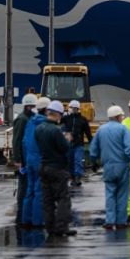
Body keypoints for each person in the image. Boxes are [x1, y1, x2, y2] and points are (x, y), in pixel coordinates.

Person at [89, 105, 130, 230]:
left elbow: (93, 149)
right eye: (121, 116)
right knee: (122, 195)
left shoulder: (101, 130)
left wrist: (93, 162)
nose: (122, 118)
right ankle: (121, 222)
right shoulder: (124, 129)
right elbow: (129, 149)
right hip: (122, 166)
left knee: (110, 194)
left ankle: (109, 221)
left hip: (108, 166)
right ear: (117, 116)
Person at [35, 100, 76, 237]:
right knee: (63, 198)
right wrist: (68, 140)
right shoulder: (55, 131)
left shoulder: (39, 128)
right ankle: (62, 227)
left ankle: (50, 227)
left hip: (43, 167)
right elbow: (64, 148)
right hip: (57, 168)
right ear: (58, 115)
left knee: (48, 200)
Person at [21, 97, 50, 228]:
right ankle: (38, 222)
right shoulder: (44, 124)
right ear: (46, 109)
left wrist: (25, 160)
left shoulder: (30, 122)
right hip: (40, 160)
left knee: (30, 190)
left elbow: (24, 142)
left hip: (29, 160)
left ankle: (26, 219)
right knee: (39, 191)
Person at [12, 93, 37, 225]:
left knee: (29, 187)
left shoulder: (31, 118)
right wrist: (17, 160)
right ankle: (20, 216)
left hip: (29, 157)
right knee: (23, 187)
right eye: (33, 106)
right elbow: (16, 140)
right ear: (28, 106)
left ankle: (27, 214)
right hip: (24, 159)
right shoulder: (22, 119)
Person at [61, 99, 93, 186]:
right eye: (71, 108)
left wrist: (92, 142)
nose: (73, 109)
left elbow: (88, 132)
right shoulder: (66, 118)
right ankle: (72, 177)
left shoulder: (83, 120)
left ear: (78, 109)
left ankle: (78, 177)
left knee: (78, 161)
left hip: (79, 144)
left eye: (75, 108)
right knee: (70, 161)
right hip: (68, 144)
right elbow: (57, 122)